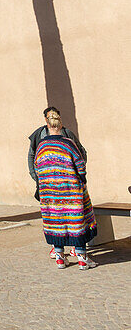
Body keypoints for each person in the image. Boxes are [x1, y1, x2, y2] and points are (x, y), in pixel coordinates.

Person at [34, 112, 97, 270]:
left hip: (50, 193)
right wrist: (81, 179)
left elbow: (37, 167)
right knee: (76, 221)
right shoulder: (68, 144)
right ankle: (82, 259)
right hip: (71, 191)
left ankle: (60, 258)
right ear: (60, 125)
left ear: (47, 125)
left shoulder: (41, 146)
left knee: (56, 221)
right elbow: (80, 164)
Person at [28, 107, 86, 190]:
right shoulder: (39, 136)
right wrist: (35, 176)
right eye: (50, 117)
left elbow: (81, 153)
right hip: (47, 183)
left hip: (68, 184)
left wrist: (76, 174)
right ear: (45, 119)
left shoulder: (67, 135)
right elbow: (32, 156)